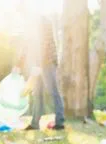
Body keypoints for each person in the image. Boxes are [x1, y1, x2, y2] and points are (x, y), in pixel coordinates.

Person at [13, 2, 65, 130]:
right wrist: (18, 65)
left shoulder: (42, 21)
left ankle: (60, 122)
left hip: (47, 62)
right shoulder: (28, 25)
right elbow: (27, 46)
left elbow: (46, 42)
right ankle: (35, 123)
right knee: (37, 93)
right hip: (37, 64)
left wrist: (40, 63)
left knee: (53, 91)